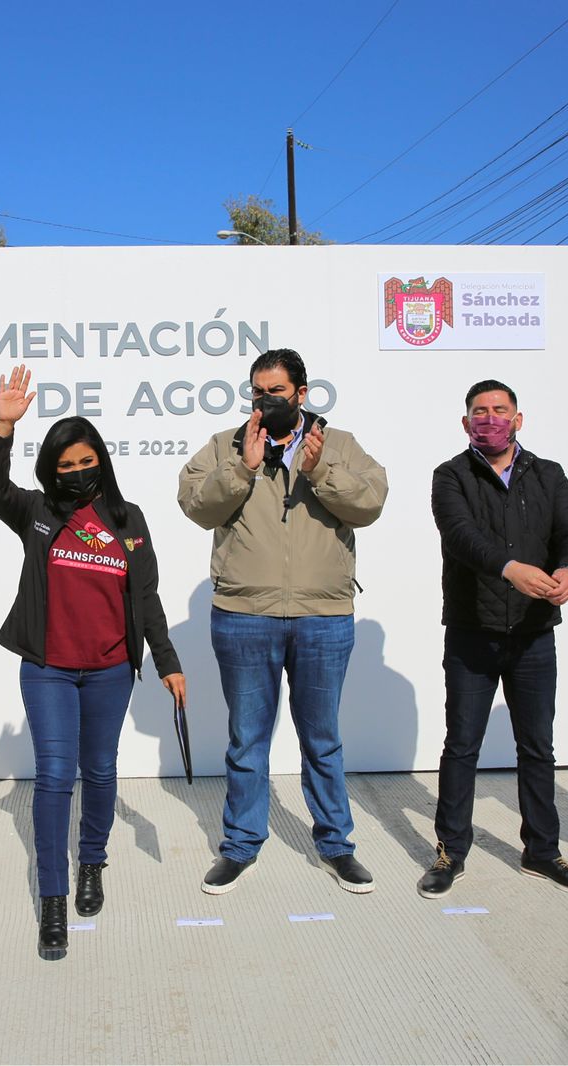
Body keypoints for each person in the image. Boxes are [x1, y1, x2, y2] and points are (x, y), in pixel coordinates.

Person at [0, 367, 184, 961]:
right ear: (52, 470)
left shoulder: (128, 520)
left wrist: (167, 661)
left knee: (98, 772)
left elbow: (145, 595)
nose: (76, 472)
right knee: (53, 777)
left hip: (109, 670)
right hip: (47, 667)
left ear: (102, 460)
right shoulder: (38, 513)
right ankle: (52, 898)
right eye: (65, 466)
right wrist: (3, 427)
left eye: (85, 462)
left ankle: (91, 861)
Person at [177, 348, 388, 896]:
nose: (265, 400)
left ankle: (337, 846)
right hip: (244, 615)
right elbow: (196, 505)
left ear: (302, 393)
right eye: (257, 391)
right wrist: (241, 468)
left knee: (322, 739)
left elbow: (369, 504)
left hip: (324, 617)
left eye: (276, 391)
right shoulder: (226, 444)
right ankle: (241, 846)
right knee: (247, 739)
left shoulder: (337, 445)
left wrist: (320, 471)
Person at [419, 379, 568, 899]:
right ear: (465, 422)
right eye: (480, 411)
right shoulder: (450, 475)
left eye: (500, 410)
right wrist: (510, 568)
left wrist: (567, 571)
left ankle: (542, 851)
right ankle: (451, 852)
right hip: (473, 633)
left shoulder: (549, 474)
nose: (490, 418)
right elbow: (460, 535)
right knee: (462, 745)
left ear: (519, 419)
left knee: (537, 747)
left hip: (534, 632)